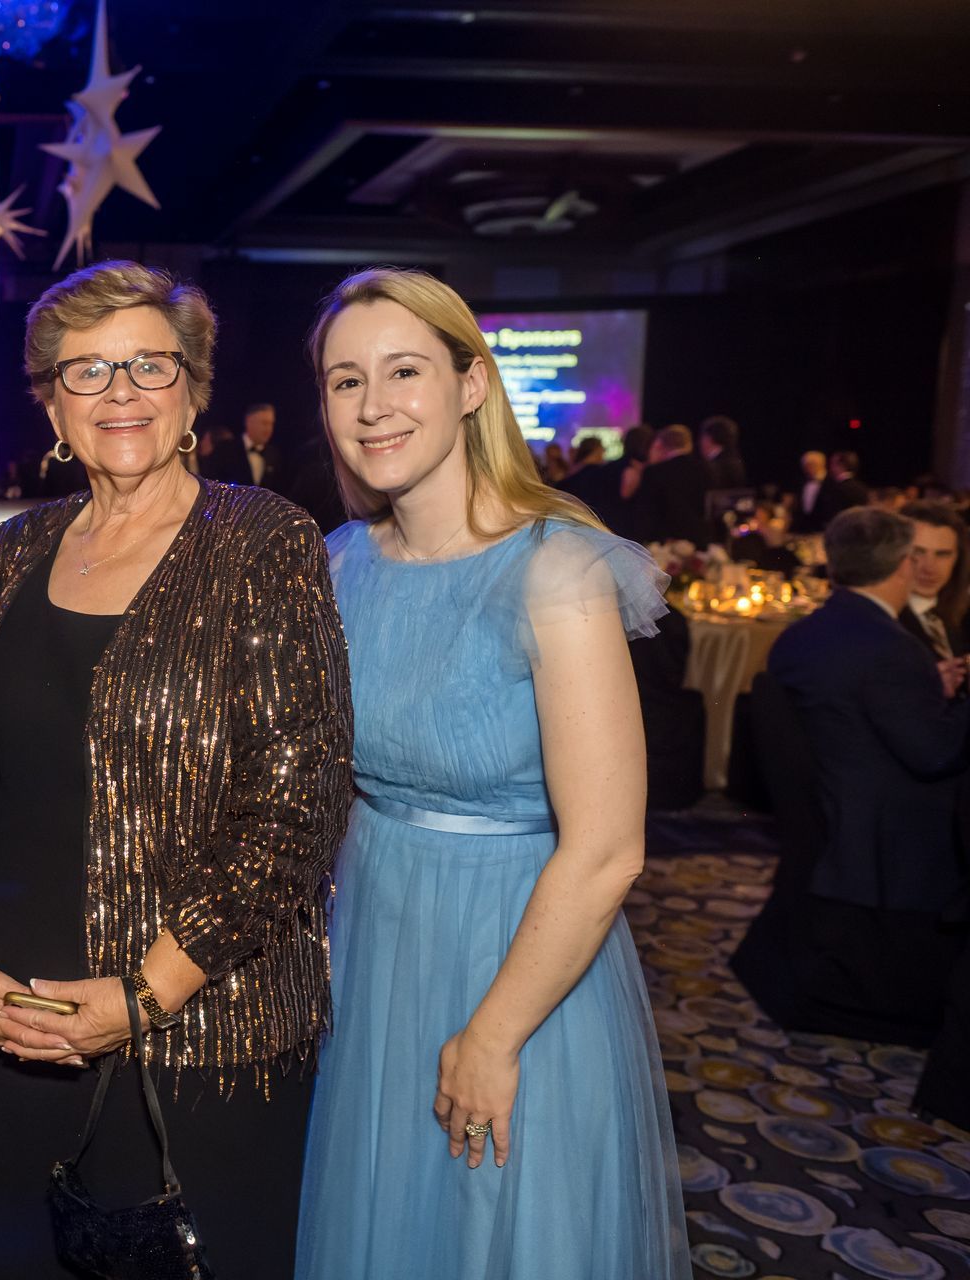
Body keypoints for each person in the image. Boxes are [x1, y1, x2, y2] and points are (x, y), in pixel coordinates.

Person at [0, 261, 350, 1279]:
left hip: (200, 1028)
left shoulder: (263, 540)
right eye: (87, 370)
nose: (120, 391)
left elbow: (298, 801)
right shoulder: (11, 555)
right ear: (51, 404)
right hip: (7, 1023)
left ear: (194, 389)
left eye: (148, 365)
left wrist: (143, 994)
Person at [296, 267, 686, 1279]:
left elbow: (607, 849)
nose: (374, 405)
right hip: (376, 936)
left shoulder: (553, 568)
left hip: (516, 955)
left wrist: (493, 1032)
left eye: (405, 370)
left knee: (492, 1232)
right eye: (345, 380)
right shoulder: (339, 561)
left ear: (472, 385)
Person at [740, 507, 969, 1047]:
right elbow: (933, 756)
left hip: (829, 813)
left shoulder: (804, 635)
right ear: (901, 568)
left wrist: (927, 689)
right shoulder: (891, 648)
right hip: (885, 830)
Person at [899, 501, 969, 667]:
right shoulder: (881, 621)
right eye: (918, 552)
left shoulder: (962, 616)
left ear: (957, 559)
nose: (929, 567)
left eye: (942, 554)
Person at [560, 424, 650, 537]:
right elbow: (623, 496)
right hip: (602, 525)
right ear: (596, 450)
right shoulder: (600, 472)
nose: (604, 453)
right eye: (602, 449)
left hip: (579, 525)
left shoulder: (573, 474)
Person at [630, 423, 713, 545]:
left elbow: (646, 511)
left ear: (662, 444)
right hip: (699, 539)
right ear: (688, 443)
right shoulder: (706, 469)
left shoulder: (654, 471)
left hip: (665, 541)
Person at [698, 414, 746, 489]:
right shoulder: (734, 460)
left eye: (703, 436)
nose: (700, 442)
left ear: (709, 438)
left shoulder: (714, 466)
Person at [795, 450, 829, 532]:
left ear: (820, 465)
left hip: (824, 527)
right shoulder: (803, 482)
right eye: (805, 466)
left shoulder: (831, 482)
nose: (806, 469)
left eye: (809, 465)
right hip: (805, 528)